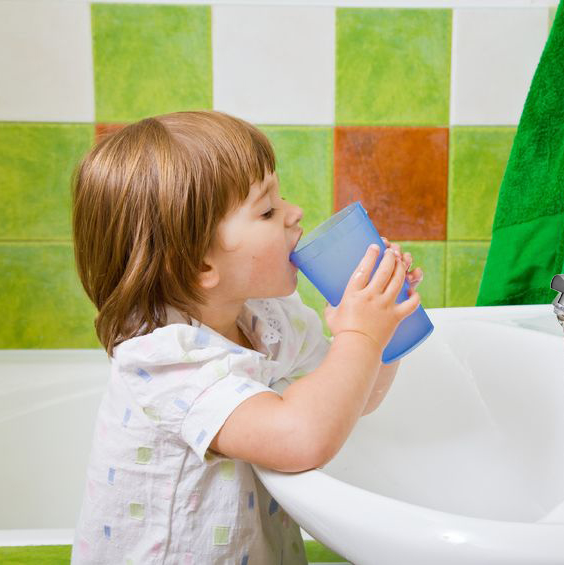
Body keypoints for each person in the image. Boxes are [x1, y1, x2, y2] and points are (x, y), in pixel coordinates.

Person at [70, 110, 423, 564]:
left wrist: (382, 329)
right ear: (199, 265)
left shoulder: (268, 318)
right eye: (268, 210)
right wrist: (359, 334)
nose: (294, 213)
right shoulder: (166, 360)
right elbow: (301, 440)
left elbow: (356, 399)